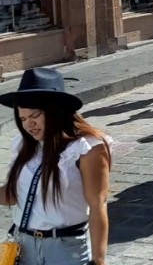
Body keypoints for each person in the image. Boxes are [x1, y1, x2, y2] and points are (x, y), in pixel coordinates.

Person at [0, 69, 111, 265]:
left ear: (55, 111)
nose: (28, 125)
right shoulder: (23, 146)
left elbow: (98, 205)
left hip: (65, 249)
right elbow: (13, 195)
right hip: (22, 246)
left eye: (35, 115)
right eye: (23, 119)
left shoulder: (86, 149)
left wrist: (99, 260)